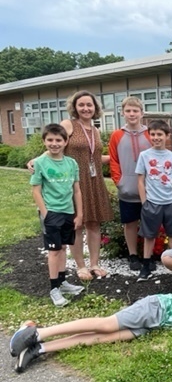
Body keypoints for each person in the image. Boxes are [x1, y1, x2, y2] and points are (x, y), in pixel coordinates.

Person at [9, 267, 172, 373]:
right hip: (155, 307)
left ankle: (39, 349)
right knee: (105, 324)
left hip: (154, 326)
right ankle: (37, 333)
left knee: (101, 339)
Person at [49, 91, 113, 281]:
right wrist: (36, 161)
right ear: (75, 107)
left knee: (94, 223)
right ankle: (80, 266)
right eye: (82, 105)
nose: (86, 108)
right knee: (76, 224)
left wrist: (117, 158)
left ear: (95, 108)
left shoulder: (95, 130)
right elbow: (54, 146)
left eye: (89, 105)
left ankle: (94, 263)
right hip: (75, 182)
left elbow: (94, 157)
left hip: (94, 182)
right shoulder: (69, 125)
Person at [30, 124, 85, 307]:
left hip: (68, 212)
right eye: (50, 140)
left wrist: (79, 214)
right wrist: (46, 214)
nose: (54, 144)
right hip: (51, 212)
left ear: (65, 141)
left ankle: (63, 282)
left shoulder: (71, 163)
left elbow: (76, 190)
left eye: (58, 140)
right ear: (44, 141)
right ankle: (54, 288)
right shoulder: (40, 163)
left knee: (62, 248)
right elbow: (36, 191)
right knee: (54, 250)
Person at [135, 120, 172, 281]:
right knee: (149, 235)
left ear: (167, 136)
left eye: (160, 134)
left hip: (171, 202)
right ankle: (146, 265)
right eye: (153, 134)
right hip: (152, 202)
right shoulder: (145, 156)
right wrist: (144, 202)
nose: (156, 138)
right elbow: (141, 180)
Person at [108, 96, 153, 272]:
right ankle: (133, 254)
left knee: (149, 222)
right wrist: (119, 181)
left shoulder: (150, 134)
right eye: (128, 111)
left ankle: (147, 256)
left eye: (135, 110)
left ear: (142, 113)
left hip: (150, 188)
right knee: (130, 223)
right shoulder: (117, 135)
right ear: (123, 113)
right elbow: (113, 160)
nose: (132, 114)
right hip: (126, 188)